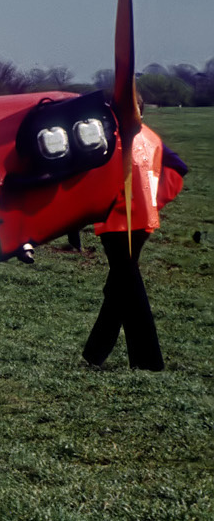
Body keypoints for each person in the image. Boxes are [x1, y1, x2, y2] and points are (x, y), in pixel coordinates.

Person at [82, 119, 183, 371]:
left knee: (125, 283)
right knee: (120, 284)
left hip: (119, 223)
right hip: (131, 221)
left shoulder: (107, 136)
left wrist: (154, 199)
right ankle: (95, 353)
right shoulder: (144, 135)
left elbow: (178, 166)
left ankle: (148, 361)